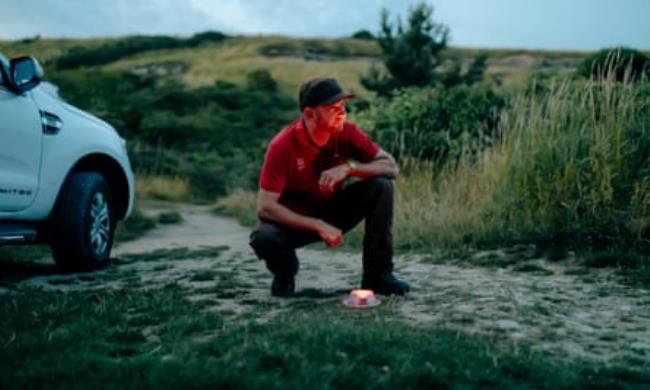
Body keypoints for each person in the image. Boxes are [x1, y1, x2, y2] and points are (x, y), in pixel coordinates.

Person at [249, 77, 410, 297]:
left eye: (343, 106)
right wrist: (317, 225)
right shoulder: (283, 145)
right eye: (333, 108)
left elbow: (391, 167)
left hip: (333, 209)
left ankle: (378, 277)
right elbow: (265, 207)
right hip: (295, 221)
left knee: (382, 186)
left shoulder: (347, 132)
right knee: (264, 237)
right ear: (309, 114)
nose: (342, 113)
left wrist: (349, 168)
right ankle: (285, 273)